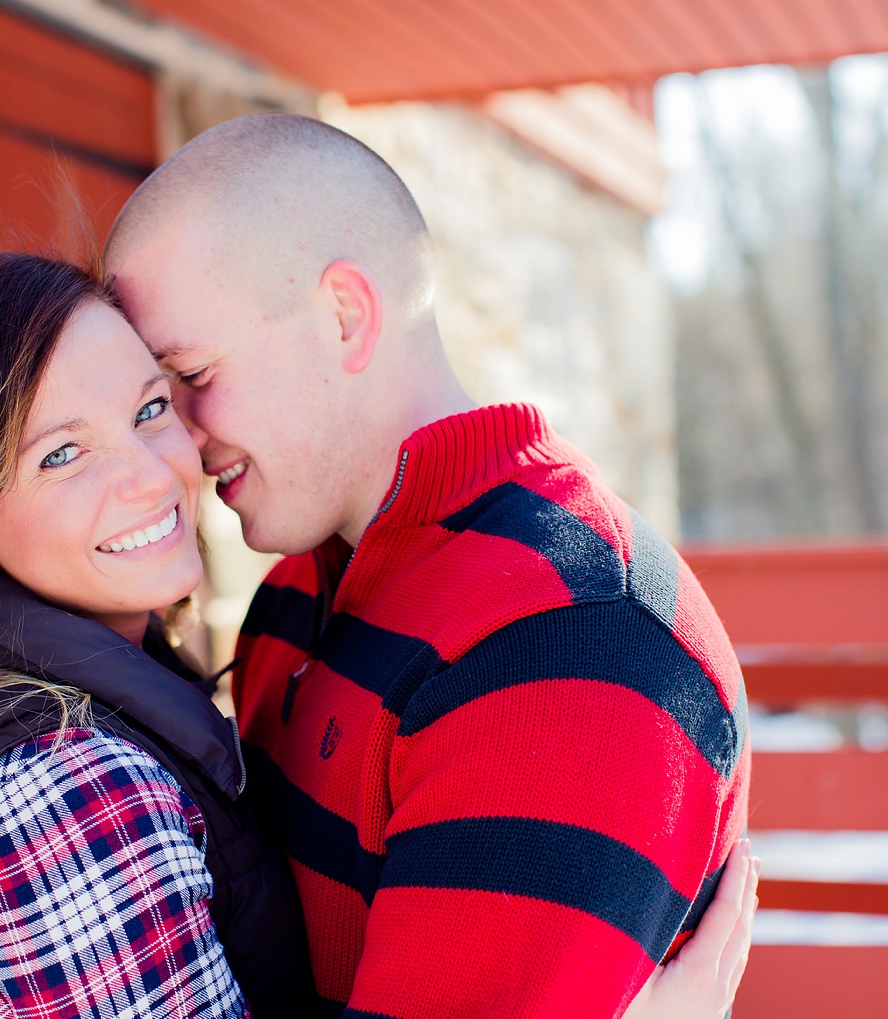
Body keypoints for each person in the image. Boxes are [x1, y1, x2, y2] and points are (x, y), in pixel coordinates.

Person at [0, 251, 754, 1019]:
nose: (153, 473)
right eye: (62, 451)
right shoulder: (60, 792)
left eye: (152, 405)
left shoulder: (55, 697)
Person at [104, 114, 754, 1018]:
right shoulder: (295, 593)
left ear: (346, 316)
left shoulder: (568, 640)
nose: (175, 435)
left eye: (191, 374)